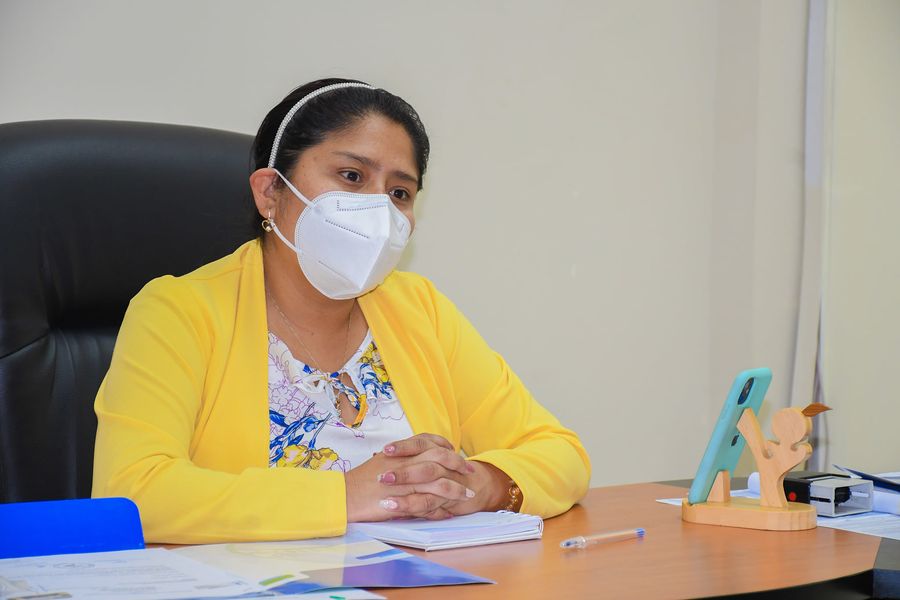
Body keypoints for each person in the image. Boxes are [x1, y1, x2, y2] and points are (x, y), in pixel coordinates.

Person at [92, 78, 591, 544]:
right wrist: (345, 497)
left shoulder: (420, 308)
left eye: (399, 192)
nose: (378, 209)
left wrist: (482, 484)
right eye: (351, 176)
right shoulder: (179, 311)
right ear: (270, 192)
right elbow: (132, 492)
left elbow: (559, 451)